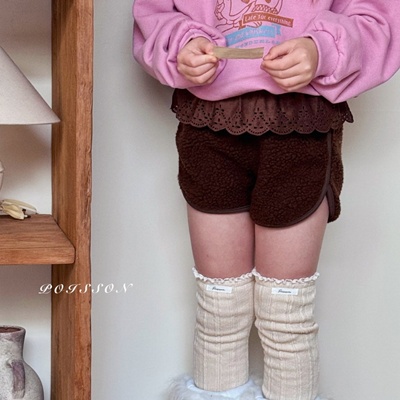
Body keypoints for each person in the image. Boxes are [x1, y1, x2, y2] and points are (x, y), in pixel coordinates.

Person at [132, 1, 400, 399]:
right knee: (220, 311)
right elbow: (153, 14)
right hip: (209, 124)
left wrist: (322, 49)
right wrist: (181, 44)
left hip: (300, 126)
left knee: (285, 313)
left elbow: (380, 18)